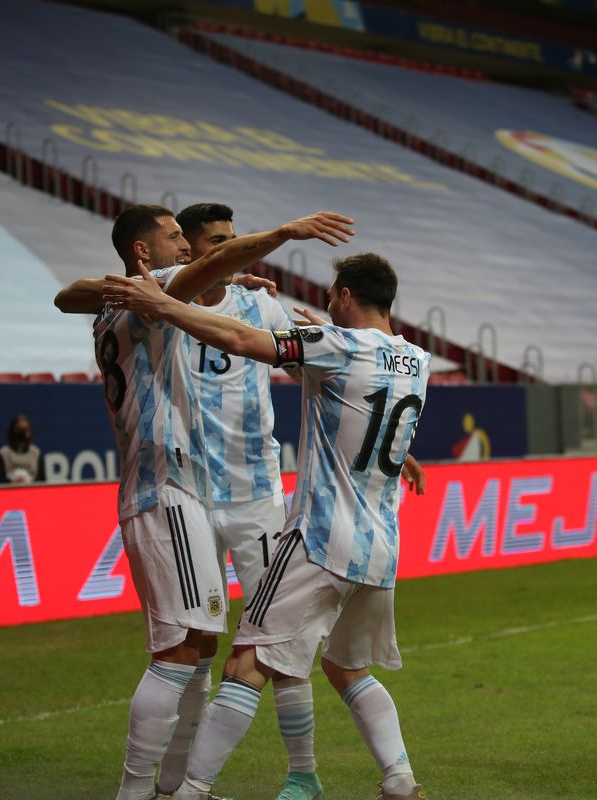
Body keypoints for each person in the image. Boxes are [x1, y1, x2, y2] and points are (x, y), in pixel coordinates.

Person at [103, 252, 431, 800]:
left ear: (346, 295)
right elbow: (362, 394)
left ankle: (192, 791)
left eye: (332, 293)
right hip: (382, 546)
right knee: (344, 667)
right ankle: (399, 779)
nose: (328, 301)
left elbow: (241, 342)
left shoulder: (339, 346)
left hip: (320, 538)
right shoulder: (417, 360)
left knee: (244, 661)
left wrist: (163, 304)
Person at [60, 203, 353, 800]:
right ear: (146, 253)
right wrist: (284, 234)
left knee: (212, 643)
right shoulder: (152, 296)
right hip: (171, 486)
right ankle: (142, 791)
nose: (192, 252)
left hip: (229, 488)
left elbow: (70, 296)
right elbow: (88, 292)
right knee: (180, 648)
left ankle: (189, 784)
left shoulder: (129, 302)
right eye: (179, 240)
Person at [0, 415, 44, 484]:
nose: (22, 432)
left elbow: (42, 479)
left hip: (31, 490)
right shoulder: (4, 453)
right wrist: (12, 482)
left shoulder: (35, 452)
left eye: (25, 429)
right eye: (19, 429)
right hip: (9, 491)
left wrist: (28, 482)